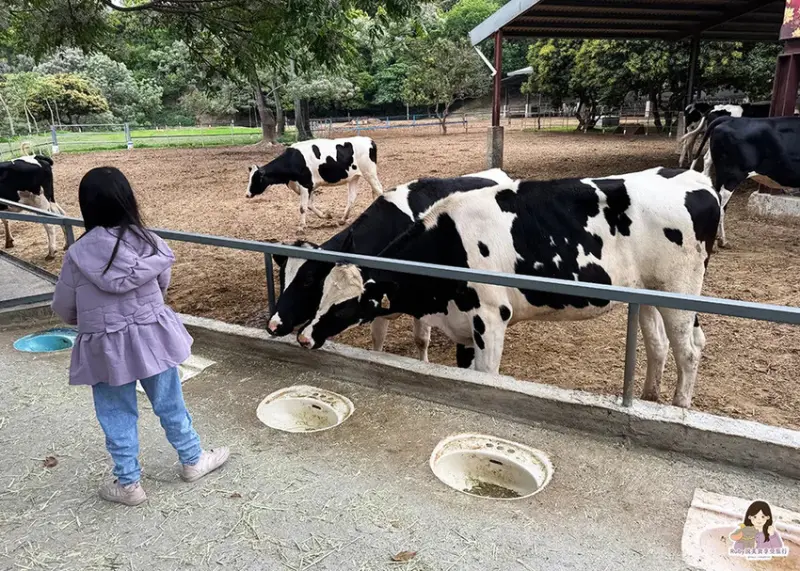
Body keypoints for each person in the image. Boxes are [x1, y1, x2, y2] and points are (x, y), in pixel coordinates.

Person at [51, 166, 229, 506]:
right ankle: (192, 460)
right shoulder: (149, 242)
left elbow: (64, 305)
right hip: (151, 336)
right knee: (169, 400)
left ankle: (129, 483)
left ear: (86, 206)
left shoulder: (77, 255)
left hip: (105, 344)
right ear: (128, 200)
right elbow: (162, 285)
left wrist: (83, 318)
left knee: (116, 411)